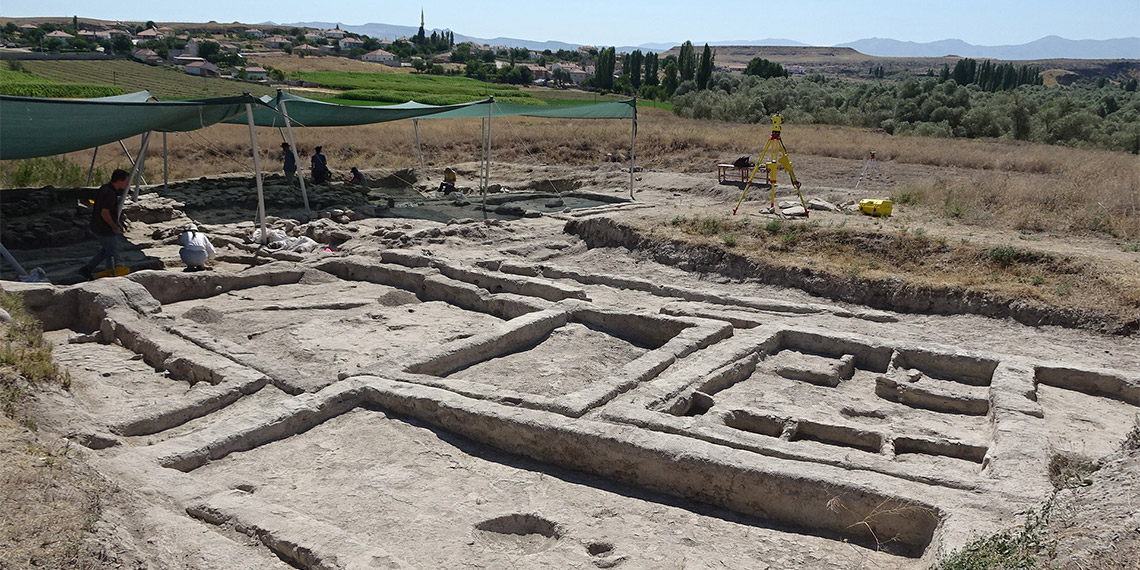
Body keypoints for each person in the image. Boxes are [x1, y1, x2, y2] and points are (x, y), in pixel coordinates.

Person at [79, 169, 130, 280]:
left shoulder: (105, 188)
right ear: (119, 181)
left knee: (107, 250)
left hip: (97, 226)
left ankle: (88, 269)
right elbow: (105, 213)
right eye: (126, 181)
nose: (127, 184)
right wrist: (114, 226)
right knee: (115, 251)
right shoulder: (110, 193)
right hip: (104, 228)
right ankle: (117, 273)